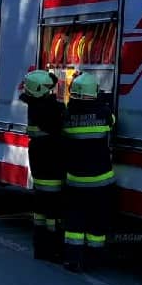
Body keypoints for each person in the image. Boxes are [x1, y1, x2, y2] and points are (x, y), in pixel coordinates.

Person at [61, 71, 116, 272]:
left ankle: (72, 259)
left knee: (75, 221)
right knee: (97, 223)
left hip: (76, 180)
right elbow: (113, 121)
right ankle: (94, 260)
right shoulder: (103, 113)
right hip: (101, 181)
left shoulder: (67, 116)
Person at [20, 69, 66, 262]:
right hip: (50, 159)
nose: (51, 90)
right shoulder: (49, 109)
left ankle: (40, 249)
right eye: (48, 88)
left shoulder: (34, 103)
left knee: (41, 209)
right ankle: (53, 249)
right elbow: (62, 123)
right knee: (54, 211)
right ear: (40, 90)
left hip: (39, 158)